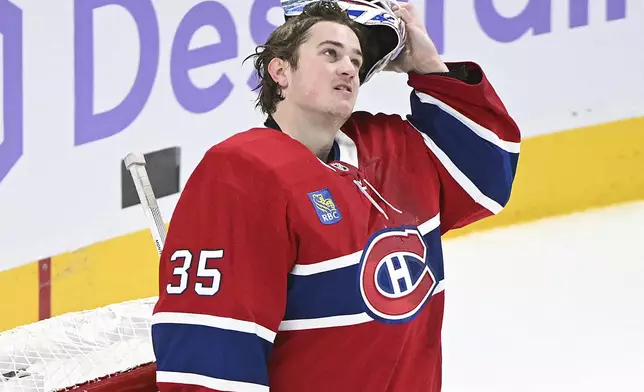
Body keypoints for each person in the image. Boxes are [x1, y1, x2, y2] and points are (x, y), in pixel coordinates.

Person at [150, 1, 521, 391]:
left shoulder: (393, 149)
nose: (348, 68)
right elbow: (212, 353)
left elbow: (488, 179)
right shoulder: (241, 173)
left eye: (357, 61)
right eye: (330, 53)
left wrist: (427, 66)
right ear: (281, 71)